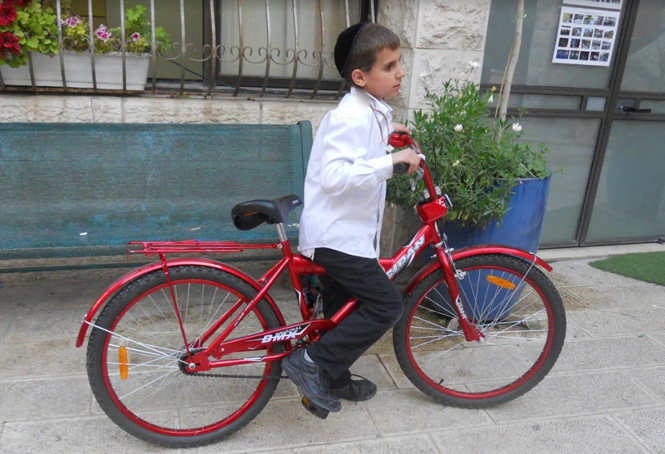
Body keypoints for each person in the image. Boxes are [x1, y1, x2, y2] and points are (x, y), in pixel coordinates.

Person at [281, 22, 422, 415]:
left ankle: (333, 376)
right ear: (360, 77)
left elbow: (363, 138)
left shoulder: (369, 111)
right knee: (385, 306)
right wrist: (392, 162)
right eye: (390, 66)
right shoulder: (351, 118)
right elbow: (335, 175)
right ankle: (310, 363)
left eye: (400, 63)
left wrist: (389, 131)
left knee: (342, 310)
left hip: (348, 236)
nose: (400, 72)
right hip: (336, 238)